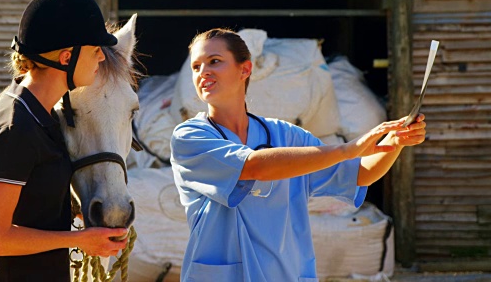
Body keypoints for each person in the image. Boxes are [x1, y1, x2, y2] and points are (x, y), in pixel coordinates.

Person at [169, 28, 426, 282]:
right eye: (196, 67)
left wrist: (395, 142)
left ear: (245, 69)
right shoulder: (190, 138)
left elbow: (360, 174)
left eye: (214, 61)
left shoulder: (287, 136)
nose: (204, 72)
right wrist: (347, 149)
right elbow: (254, 167)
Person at [0, 0, 128, 281]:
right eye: (95, 50)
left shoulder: (42, 116)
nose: (102, 59)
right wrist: (80, 240)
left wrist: (81, 220)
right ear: (67, 58)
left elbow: (31, 206)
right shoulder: (14, 128)